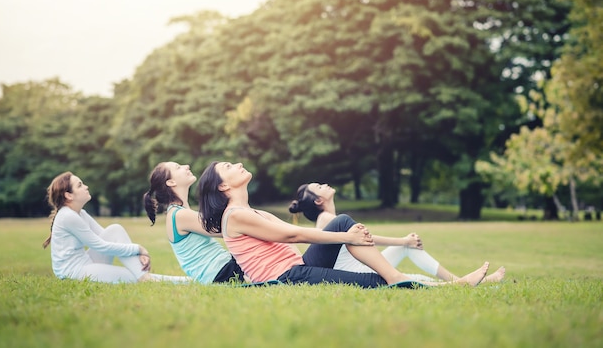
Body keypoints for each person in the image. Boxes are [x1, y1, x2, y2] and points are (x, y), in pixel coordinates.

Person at [198, 161, 491, 288]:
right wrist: (345, 236)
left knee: (343, 221)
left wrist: (346, 233)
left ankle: (397, 277)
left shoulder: (250, 211)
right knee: (371, 281)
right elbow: (293, 233)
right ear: (223, 187)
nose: (236, 164)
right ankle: (408, 281)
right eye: (227, 167)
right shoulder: (235, 215)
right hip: (286, 277)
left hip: (296, 267)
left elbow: (296, 234)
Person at [289, 183, 506, 283]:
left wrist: (404, 242)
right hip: (354, 270)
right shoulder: (326, 219)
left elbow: (364, 241)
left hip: (361, 263)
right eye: (319, 186)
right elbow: (366, 240)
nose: (325, 184)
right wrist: (402, 240)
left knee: (407, 254)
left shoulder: (330, 218)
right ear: (318, 200)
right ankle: (462, 283)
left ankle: (461, 281)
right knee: (410, 274)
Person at [42, 171, 192, 284]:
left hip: (86, 262)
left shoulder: (80, 213)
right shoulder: (68, 216)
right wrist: (138, 249)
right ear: (68, 195)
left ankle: (146, 277)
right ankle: (181, 281)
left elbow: (107, 236)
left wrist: (138, 254)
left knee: (115, 229)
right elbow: (100, 246)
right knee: (131, 277)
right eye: (80, 185)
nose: (86, 187)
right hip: (73, 273)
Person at [143, 162, 245, 284]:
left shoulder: (178, 213)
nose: (186, 166)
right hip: (223, 273)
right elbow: (228, 230)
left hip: (222, 270)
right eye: (178, 167)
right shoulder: (180, 215)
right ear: (171, 182)